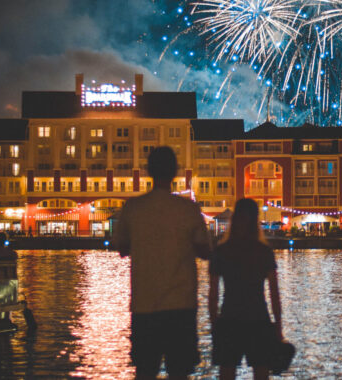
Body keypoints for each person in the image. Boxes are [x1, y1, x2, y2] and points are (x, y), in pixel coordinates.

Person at [112, 146, 213, 380]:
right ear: (175, 172)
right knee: (180, 371)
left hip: (144, 305)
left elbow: (122, 249)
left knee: (145, 371)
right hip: (181, 305)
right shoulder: (188, 209)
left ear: (148, 172)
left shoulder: (133, 208)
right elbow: (205, 251)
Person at [209, 198, 284, 380]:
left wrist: (214, 324)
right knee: (261, 374)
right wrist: (278, 325)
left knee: (226, 373)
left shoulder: (222, 251)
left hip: (229, 318)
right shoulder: (263, 252)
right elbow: (274, 294)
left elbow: (213, 295)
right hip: (258, 318)